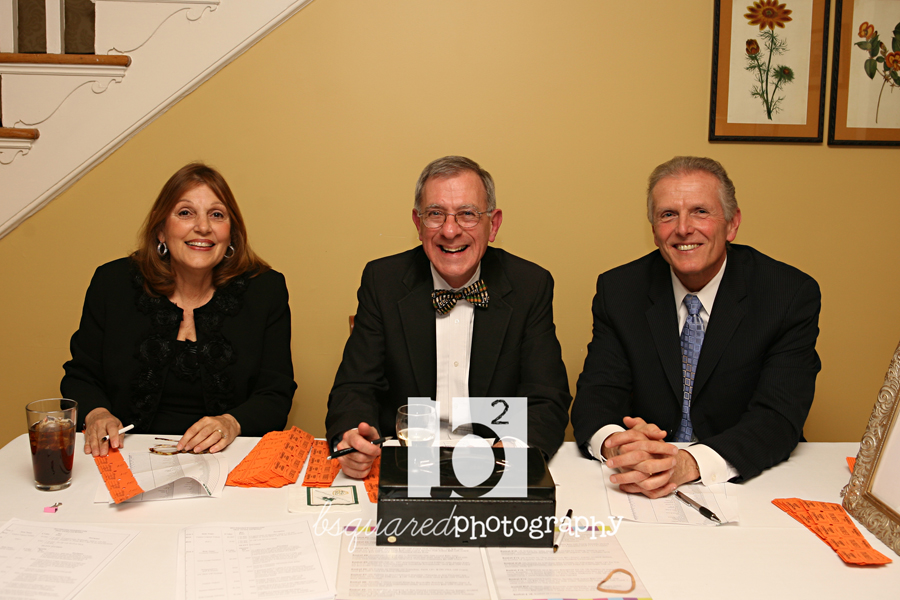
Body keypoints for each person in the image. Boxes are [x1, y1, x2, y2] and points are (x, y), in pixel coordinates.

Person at [571, 156, 821, 498]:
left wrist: (689, 463)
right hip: (638, 483)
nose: (683, 229)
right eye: (667, 215)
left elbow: (778, 416)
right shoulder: (620, 290)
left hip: (745, 482)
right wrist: (618, 444)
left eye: (700, 211)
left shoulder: (787, 294)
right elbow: (596, 396)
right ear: (654, 230)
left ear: (732, 224)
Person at [326, 156, 571, 478]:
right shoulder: (382, 280)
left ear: (494, 224)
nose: (450, 230)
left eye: (468, 214)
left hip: (495, 463)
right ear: (418, 224)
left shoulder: (530, 285)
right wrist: (353, 437)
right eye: (435, 214)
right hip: (405, 462)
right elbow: (355, 387)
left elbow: (547, 398)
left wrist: (511, 449)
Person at [62, 162, 296, 457]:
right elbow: (82, 375)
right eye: (186, 213)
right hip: (122, 454)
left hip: (227, 457)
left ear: (231, 234)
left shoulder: (265, 290)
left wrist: (232, 422)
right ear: (161, 230)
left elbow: (275, 393)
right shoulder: (112, 283)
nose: (203, 227)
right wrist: (96, 413)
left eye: (217, 215)